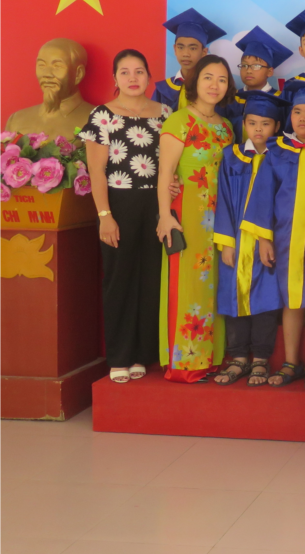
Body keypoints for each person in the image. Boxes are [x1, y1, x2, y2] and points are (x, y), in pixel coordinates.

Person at [80, 49, 171, 383]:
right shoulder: (103, 115)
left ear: (149, 76)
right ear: (115, 78)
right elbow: (96, 170)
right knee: (120, 278)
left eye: (139, 71)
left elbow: (171, 163)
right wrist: (105, 215)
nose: (133, 78)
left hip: (157, 205)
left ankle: (143, 354)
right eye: (125, 72)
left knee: (151, 277)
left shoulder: (165, 114)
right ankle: (119, 356)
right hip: (118, 203)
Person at [241, 81, 305, 389]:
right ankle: (291, 361)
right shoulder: (277, 151)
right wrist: (264, 239)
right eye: (297, 112)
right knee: (291, 299)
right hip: (286, 239)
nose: (302, 118)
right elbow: (262, 195)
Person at [156, 54, 236, 382]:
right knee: (188, 285)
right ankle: (185, 363)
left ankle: (210, 358)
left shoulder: (226, 127)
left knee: (213, 285)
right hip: (187, 214)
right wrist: (165, 216)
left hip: (219, 217)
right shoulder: (179, 121)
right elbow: (165, 174)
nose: (215, 85)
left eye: (222, 79)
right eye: (208, 77)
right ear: (194, 82)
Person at [211, 91, 291, 387]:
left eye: (266, 124)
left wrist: (268, 237)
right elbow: (223, 199)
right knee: (233, 298)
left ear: (277, 126)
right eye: (252, 123)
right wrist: (226, 242)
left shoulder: (281, 157)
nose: (258, 129)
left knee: (266, 300)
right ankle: (238, 357)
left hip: (268, 243)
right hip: (235, 239)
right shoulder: (231, 156)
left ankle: (260, 358)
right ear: (243, 124)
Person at [225, 26, 291, 142]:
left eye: (256, 66)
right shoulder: (231, 99)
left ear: (270, 71)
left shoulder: (281, 100)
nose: (248, 70)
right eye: (244, 65)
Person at [153, 9, 226, 110]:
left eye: (193, 48)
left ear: (204, 52)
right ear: (175, 49)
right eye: (180, 47)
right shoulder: (163, 89)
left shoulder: (214, 89)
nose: (186, 54)